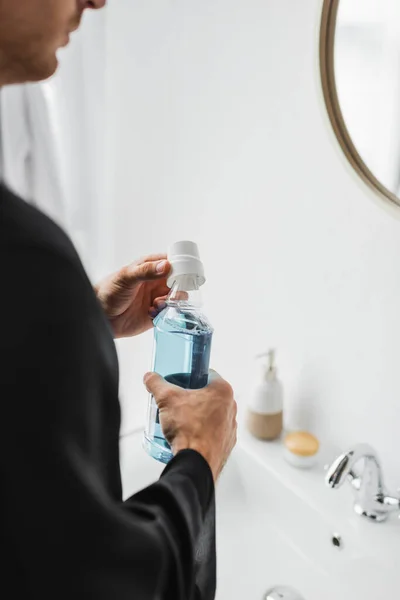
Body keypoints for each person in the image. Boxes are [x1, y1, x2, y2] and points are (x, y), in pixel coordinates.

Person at [0, 2, 237, 599]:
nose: (97, 0)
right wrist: (199, 458)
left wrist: (78, 322)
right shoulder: (25, 257)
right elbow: (99, 582)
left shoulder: (30, 272)